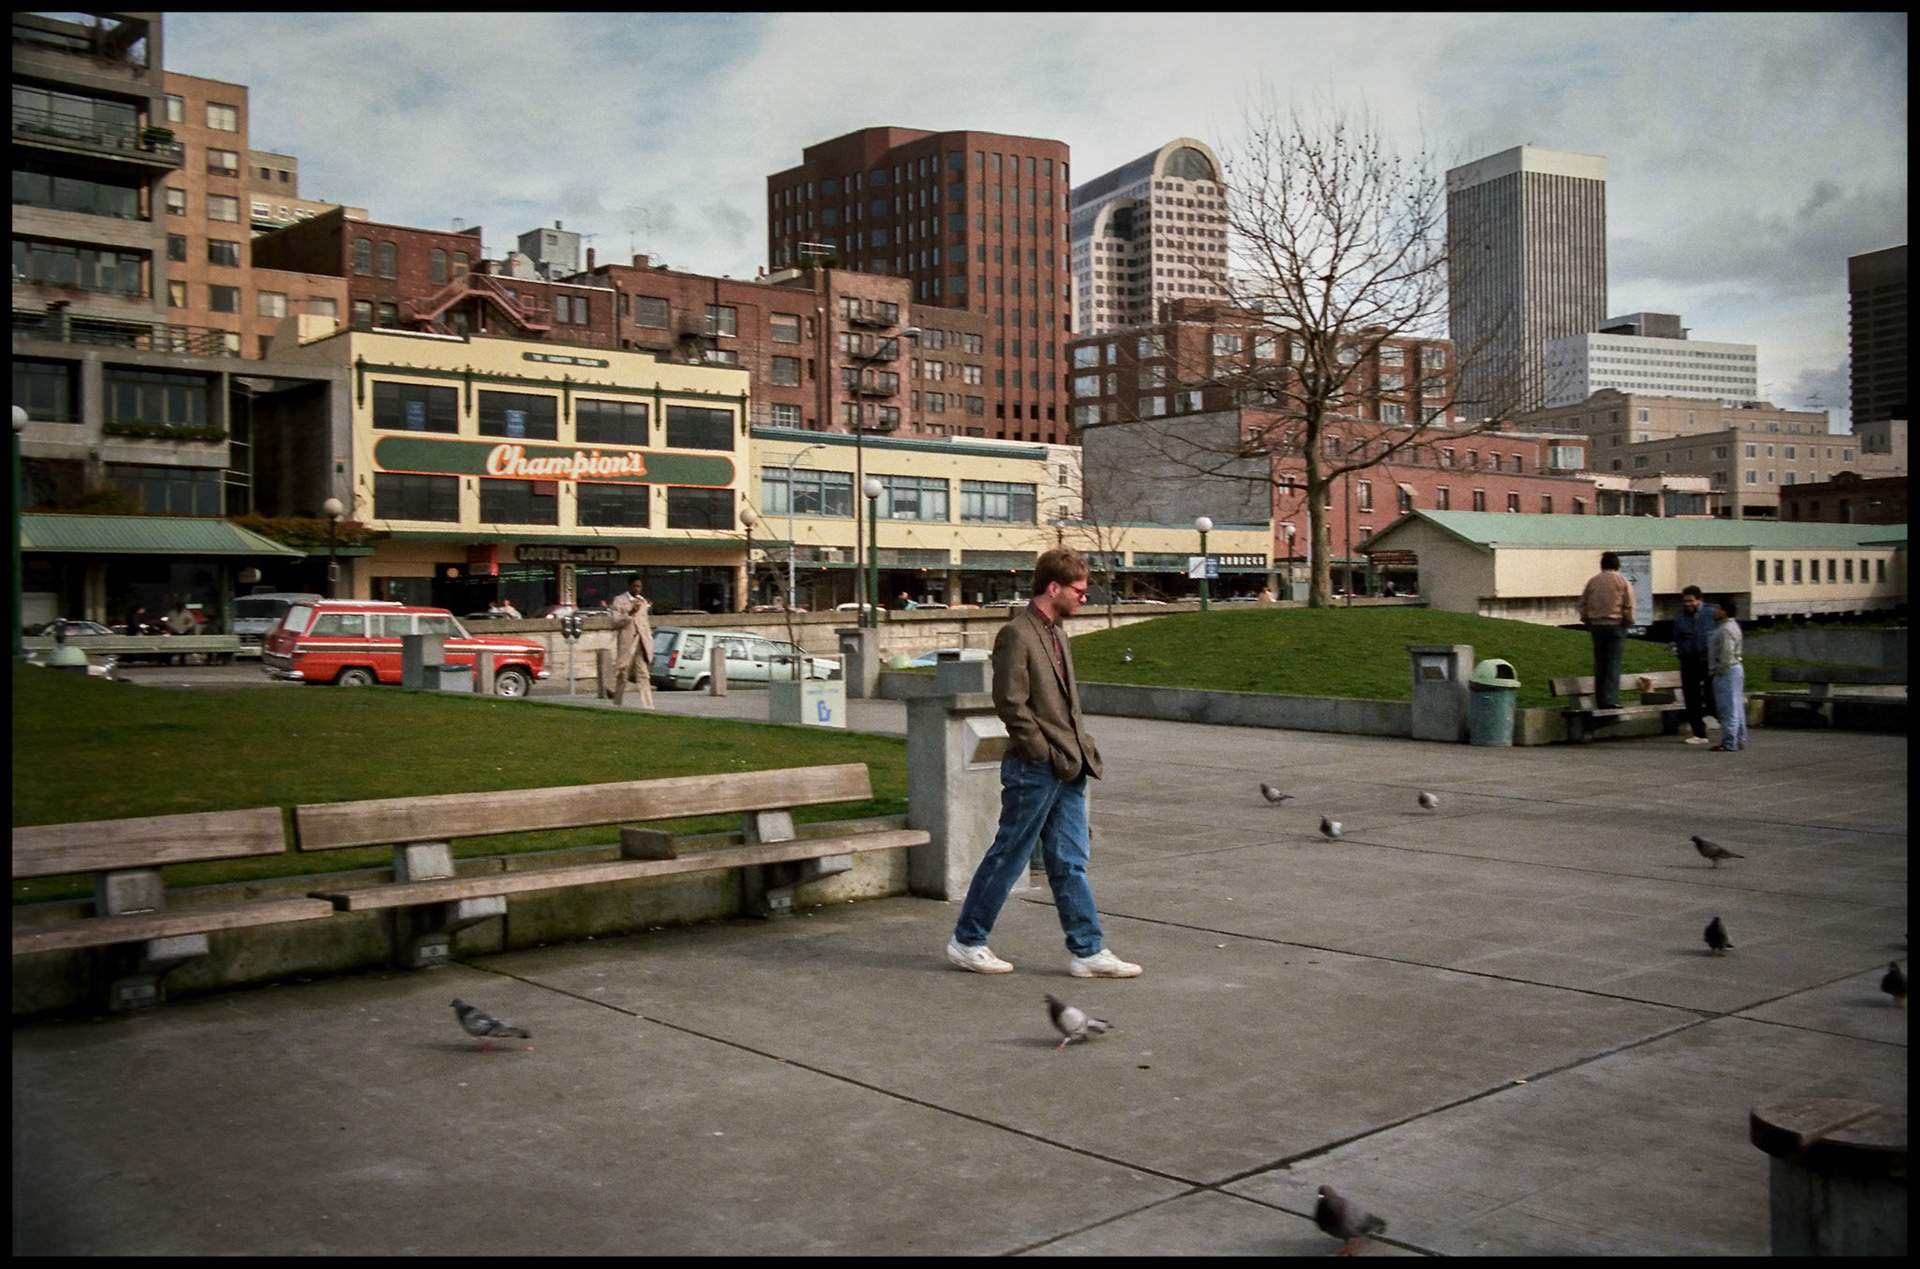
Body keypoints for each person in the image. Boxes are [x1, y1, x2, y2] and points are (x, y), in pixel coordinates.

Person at [946, 547, 1142, 979]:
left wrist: (1074, 750)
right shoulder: (1017, 634)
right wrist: (1043, 752)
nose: (1083, 598)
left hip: (1069, 765)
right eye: (1078, 590)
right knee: (1010, 855)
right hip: (1036, 767)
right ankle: (967, 940)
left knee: (1069, 860)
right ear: (1053, 587)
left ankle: (1087, 951)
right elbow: (1010, 703)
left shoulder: (1057, 634)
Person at [1577, 552, 1635, 710]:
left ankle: (1600, 697)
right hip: (1615, 625)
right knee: (1613, 664)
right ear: (1617, 564)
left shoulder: (1593, 581)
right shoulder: (1622, 581)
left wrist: (1588, 620)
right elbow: (1629, 604)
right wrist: (1628, 621)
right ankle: (1610, 700)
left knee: (1600, 663)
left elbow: (1583, 604)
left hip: (1597, 626)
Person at [1671, 585, 1716, 745]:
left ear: (1700, 599)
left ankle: (1728, 724)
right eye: (1686, 601)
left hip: (1707, 660)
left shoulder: (1711, 613)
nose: (1688, 604)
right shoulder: (1681, 616)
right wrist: (1680, 651)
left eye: (1691, 601)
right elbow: (1677, 636)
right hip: (1688, 660)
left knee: (1712, 696)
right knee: (1691, 697)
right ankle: (1699, 733)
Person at [608, 575, 654, 709]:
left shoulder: (643, 601)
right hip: (627, 642)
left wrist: (649, 639)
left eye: (639, 586)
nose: (637, 589)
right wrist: (630, 613)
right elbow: (614, 622)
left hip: (641, 642)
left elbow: (645, 623)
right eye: (635, 586)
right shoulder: (619, 600)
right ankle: (617, 702)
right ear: (629, 586)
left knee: (643, 674)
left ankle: (648, 706)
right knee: (623, 672)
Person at [1708, 597, 1746, 752]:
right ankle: (1738, 737)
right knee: (1736, 704)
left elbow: (1726, 652)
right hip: (1735, 668)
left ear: (1724, 611)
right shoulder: (1732, 626)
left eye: (1717, 608)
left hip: (1726, 670)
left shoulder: (1724, 630)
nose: (1714, 611)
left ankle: (1729, 741)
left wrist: (1719, 670)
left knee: (1727, 706)